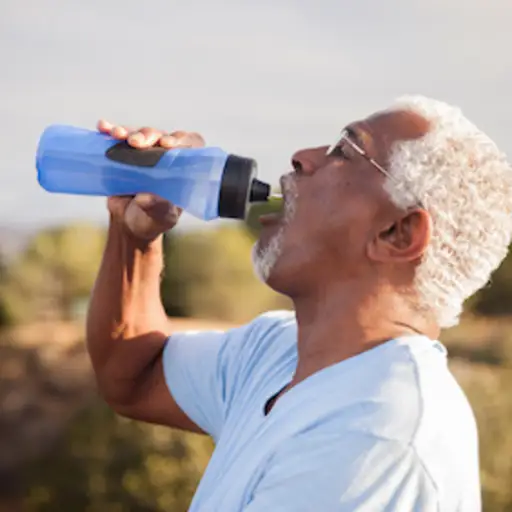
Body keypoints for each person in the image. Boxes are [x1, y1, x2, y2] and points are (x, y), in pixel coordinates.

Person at [87, 95, 512, 511]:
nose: (301, 157)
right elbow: (133, 376)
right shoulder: (277, 351)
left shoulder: (378, 434)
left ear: (397, 233)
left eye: (344, 152)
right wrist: (135, 237)